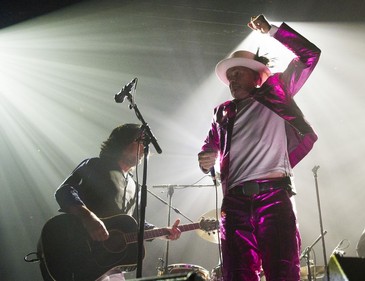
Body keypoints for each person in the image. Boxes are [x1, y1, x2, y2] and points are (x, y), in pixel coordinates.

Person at [198, 14, 321, 281]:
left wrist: (272, 31)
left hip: (273, 196)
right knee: (237, 273)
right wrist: (205, 158)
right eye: (230, 76)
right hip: (235, 203)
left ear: (256, 76)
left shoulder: (276, 90)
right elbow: (210, 146)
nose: (232, 80)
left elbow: (310, 55)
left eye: (238, 73)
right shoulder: (222, 112)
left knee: (282, 270)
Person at [53, 123, 181, 281]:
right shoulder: (96, 165)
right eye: (140, 141)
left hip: (109, 265)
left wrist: (161, 232)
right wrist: (88, 217)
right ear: (122, 142)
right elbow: (65, 190)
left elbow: (135, 222)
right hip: (77, 252)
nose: (144, 148)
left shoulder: (134, 185)